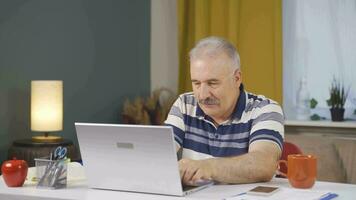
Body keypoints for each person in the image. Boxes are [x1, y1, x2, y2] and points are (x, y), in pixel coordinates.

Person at [165, 36, 284, 186]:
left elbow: (264, 165)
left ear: (237, 78)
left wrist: (208, 167)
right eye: (196, 83)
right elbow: (158, 157)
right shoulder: (184, 104)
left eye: (212, 83)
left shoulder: (265, 109)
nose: (203, 95)